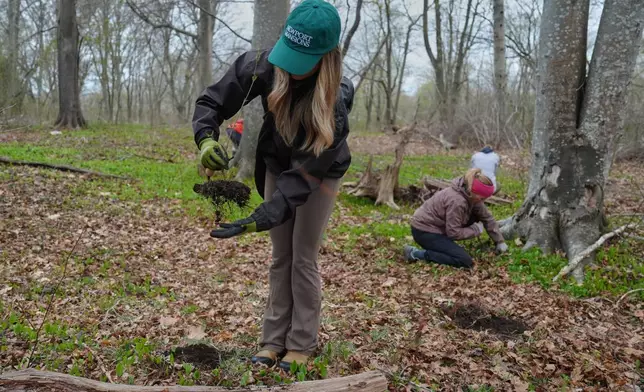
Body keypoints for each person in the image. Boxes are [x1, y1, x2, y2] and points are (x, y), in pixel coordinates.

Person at [191, 0, 353, 372]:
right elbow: (212, 101)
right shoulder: (262, 66)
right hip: (278, 160)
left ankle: (301, 342)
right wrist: (206, 140)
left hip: (319, 171)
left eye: (303, 59)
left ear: (327, 58)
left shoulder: (336, 102)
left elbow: (307, 175)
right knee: (281, 254)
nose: (290, 68)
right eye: (289, 53)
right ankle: (271, 341)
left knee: (303, 253)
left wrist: (265, 214)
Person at [403, 168, 508, 268]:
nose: (483, 200)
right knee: (464, 260)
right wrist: (475, 230)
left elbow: (487, 218)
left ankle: (444, 247)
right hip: (424, 231)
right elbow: (453, 232)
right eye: (483, 197)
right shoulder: (457, 201)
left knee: (478, 214)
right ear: (474, 192)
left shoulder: (470, 194)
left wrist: (500, 241)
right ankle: (416, 254)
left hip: (438, 226)